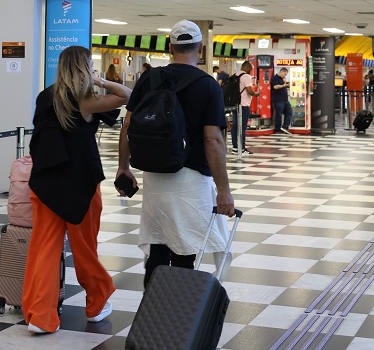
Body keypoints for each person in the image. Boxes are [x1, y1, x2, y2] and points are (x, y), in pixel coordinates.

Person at [116, 20, 236, 288]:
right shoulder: (208, 85)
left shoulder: (148, 79)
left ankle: (152, 305)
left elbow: (127, 125)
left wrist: (124, 167)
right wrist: (224, 190)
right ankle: (178, 309)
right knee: (185, 250)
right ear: (201, 48)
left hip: (155, 177)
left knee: (157, 248)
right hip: (191, 180)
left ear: (170, 48)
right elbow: (212, 140)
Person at [23, 45, 129, 334]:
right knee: (84, 249)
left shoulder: (46, 96)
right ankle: (96, 303)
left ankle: (40, 317)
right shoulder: (86, 99)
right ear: (85, 66)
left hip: (45, 182)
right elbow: (128, 96)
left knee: (44, 249)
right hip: (81, 183)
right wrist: (99, 80)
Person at [234, 61, 258, 154]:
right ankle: (242, 148)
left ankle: (235, 148)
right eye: (250, 69)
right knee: (242, 127)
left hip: (235, 104)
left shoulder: (235, 75)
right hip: (243, 105)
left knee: (235, 126)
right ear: (247, 68)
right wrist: (256, 94)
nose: (250, 71)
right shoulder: (246, 76)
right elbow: (249, 90)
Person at [271, 66, 292, 134]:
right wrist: (283, 85)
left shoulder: (283, 79)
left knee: (289, 112)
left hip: (285, 99)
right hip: (278, 99)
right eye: (285, 74)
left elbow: (286, 85)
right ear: (281, 72)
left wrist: (287, 83)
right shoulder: (275, 78)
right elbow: (275, 87)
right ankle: (278, 129)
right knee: (278, 114)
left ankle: (285, 126)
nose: (285, 76)